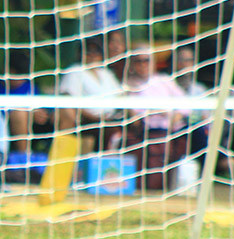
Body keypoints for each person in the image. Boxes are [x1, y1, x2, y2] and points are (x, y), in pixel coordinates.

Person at [121, 44, 189, 190]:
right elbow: (135, 114)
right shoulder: (128, 85)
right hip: (147, 129)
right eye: (139, 61)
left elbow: (185, 105)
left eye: (146, 60)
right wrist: (158, 112)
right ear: (132, 64)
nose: (143, 64)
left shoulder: (164, 81)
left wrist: (173, 118)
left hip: (172, 127)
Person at [57, 38, 122, 153]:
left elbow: (121, 96)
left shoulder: (106, 74)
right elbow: (70, 101)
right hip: (86, 121)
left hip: (111, 118)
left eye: (96, 52)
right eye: (88, 51)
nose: (92, 55)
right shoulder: (74, 71)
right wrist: (94, 117)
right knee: (111, 133)